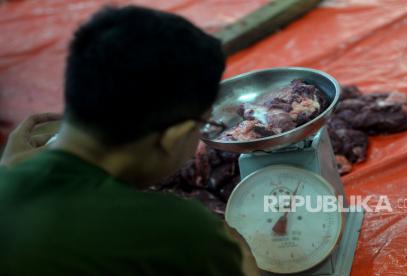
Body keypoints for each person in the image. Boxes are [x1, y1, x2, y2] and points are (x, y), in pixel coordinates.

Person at [0, 6, 249, 276]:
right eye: (205, 125)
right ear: (173, 136)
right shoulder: (182, 233)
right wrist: (241, 257)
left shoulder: (8, 178)